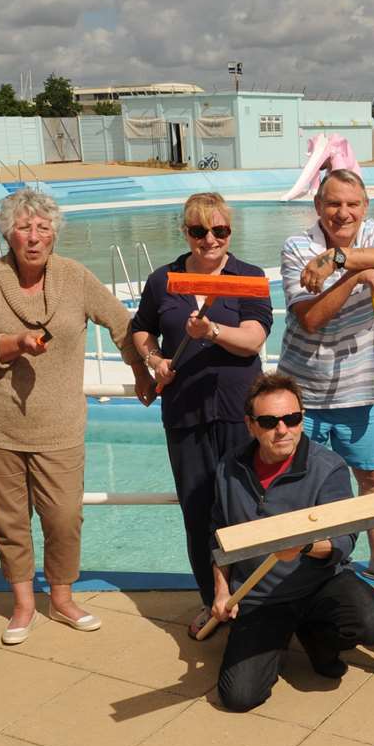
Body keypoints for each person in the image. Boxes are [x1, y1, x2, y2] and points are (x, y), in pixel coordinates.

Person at [0, 189, 145, 645]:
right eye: (24, 227)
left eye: (43, 228)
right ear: (8, 233)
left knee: (63, 516)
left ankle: (61, 597)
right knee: (8, 519)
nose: (34, 236)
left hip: (59, 424)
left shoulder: (75, 277)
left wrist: (140, 368)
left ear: (55, 234)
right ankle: (23, 604)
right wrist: (12, 344)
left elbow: (122, 324)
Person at [208, 373, 374, 712]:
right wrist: (221, 591)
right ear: (250, 425)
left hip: (320, 583)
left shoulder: (329, 467)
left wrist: (305, 546)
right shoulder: (228, 468)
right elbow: (219, 537)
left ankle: (317, 636)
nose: (283, 430)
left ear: (302, 418)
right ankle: (277, 638)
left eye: (292, 419)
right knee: (238, 698)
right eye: (269, 421)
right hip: (261, 596)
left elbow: (344, 540)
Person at [131, 193, 271, 637]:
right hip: (185, 412)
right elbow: (140, 328)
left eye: (219, 230)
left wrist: (210, 330)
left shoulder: (249, 277)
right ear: (185, 232)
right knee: (197, 510)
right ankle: (211, 600)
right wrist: (153, 360)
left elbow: (254, 338)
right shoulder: (164, 280)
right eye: (198, 231)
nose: (209, 239)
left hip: (241, 414)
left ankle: (251, 599)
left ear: (230, 230)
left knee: (246, 508)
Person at [278, 168, 374, 580]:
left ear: (365, 207)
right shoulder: (297, 246)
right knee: (305, 480)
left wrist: (340, 259)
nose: (343, 213)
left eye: (353, 204)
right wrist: (357, 273)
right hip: (306, 390)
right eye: (334, 203)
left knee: (373, 475)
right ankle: (316, 562)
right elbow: (313, 317)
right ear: (318, 206)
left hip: (362, 386)